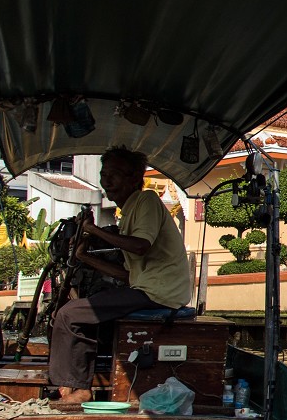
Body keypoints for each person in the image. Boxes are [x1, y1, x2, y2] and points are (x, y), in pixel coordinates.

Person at [48, 147, 193, 405]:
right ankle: (77, 383)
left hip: (159, 293)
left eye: (115, 174)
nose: (107, 181)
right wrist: (85, 257)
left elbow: (140, 246)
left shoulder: (146, 200)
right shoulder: (129, 212)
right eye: (105, 174)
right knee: (83, 313)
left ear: (134, 178)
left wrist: (93, 229)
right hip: (148, 289)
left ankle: (77, 388)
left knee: (68, 314)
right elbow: (129, 275)